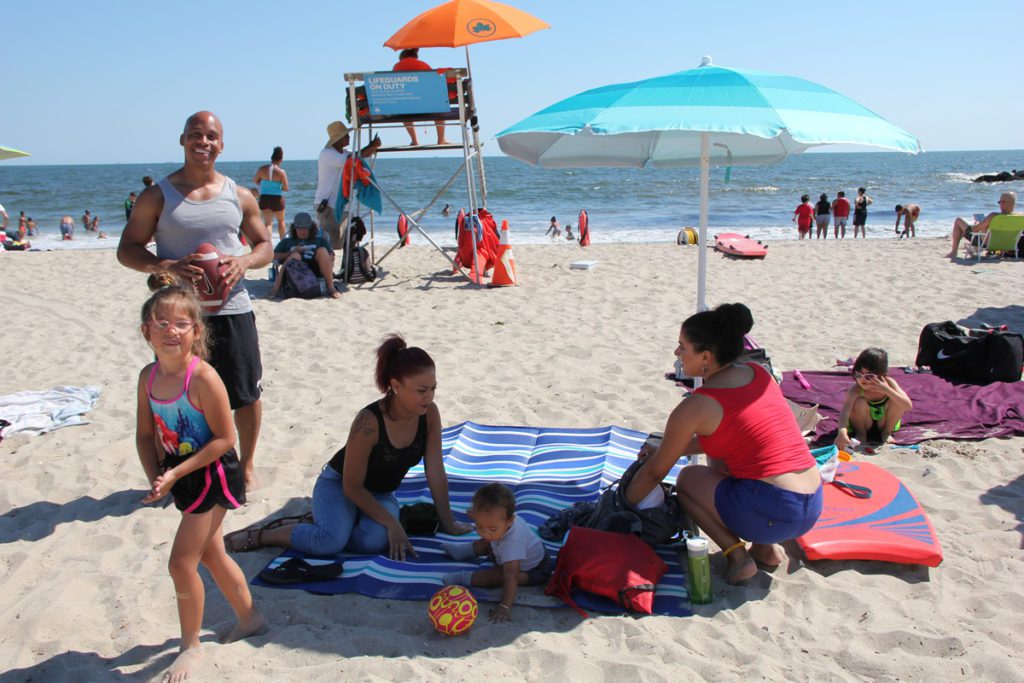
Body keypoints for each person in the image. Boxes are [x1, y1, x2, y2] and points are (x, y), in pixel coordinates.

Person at [118, 110, 273, 491]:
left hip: (233, 310)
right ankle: (173, 471)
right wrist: (164, 264)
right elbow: (127, 249)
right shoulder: (158, 195)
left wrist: (245, 261)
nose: (203, 142)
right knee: (176, 398)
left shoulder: (239, 195)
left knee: (246, 394)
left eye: (211, 136)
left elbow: (265, 245)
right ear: (182, 139)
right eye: (195, 135)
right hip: (179, 319)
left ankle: (247, 466)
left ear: (221, 144)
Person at [624, 303, 822, 585]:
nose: (677, 354)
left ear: (705, 356)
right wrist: (675, 447)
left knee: (689, 479)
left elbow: (655, 472)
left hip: (774, 511)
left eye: (682, 347)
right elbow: (736, 436)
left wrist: (623, 507)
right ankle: (765, 550)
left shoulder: (697, 406)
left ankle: (737, 557)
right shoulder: (758, 373)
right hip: (812, 504)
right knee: (732, 459)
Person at [225, 334, 471, 557]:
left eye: (433, 388)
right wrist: (392, 522)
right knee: (329, 543)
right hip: (339, 485)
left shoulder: (429, 414)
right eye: (422, 390)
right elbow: (351, 486)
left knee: (373, 542)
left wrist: (448, 522)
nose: (430, 396)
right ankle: (264, 535)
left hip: (379, 493)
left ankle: (327, 520)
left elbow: (436, 471)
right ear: (396, 386)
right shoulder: (369, 421)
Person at [134, 285, 265, 683]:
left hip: (212, 473)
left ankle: (190, 645)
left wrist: (174, 473)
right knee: (210, 554)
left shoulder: (204, 377)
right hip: (182, 474)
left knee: (180, 563)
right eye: (161, 323)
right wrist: (156, 475)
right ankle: (250, 618)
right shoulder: (148, 377)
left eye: (181, 323)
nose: (171, 331)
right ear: (146, 331)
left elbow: (226, 439)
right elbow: (144, 435)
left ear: (197, 331)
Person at [440, 483, 554, 622]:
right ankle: (462, 551)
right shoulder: (499, 524)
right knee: (487, 541)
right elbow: (488, 528)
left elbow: (511, 577)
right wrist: (477, 515)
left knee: (498, 576)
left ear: (510, 521)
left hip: (534, 570)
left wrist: (505, 606)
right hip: (503, 549)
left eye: (492, 528)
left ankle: (463, 578)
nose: (485, 532)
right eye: (479, 526)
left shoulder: (513, 543)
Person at [315, 121, 382, 250]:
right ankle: (328, 269)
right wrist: (372, 145)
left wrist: (372, 147)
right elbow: (354, 159)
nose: (349, 137)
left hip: (341, 205)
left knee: (351, 237)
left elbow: (361, 154)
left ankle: (345, 268)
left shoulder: (343, 153)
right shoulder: (327, 153)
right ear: (338, 139)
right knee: (328, 245)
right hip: (329, 205)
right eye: (346, 135)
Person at [834, 348, 912, 449]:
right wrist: (842, 431)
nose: (862, 379)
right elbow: (845, 412)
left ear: (881, 375)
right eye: (858, 374)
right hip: (863, 422)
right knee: (859, 402)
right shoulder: (857, 389)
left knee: (897, 399)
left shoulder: (889, 383)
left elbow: (907, 406)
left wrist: (887, 390)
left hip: (885, 421)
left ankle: (886, 433)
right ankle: (861, 433)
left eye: (869, 376)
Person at [269, 212, 341, 299]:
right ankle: (276, 289)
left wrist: (319, 255)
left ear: (311, 227)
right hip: (295, 273)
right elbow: (273, 256)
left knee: (322, 250)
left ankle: (331, 288)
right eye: (299, 228)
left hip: (316, 269)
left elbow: (332, 256)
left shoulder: (320, 240)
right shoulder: (287, 241)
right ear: (294, 228)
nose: (302, 231)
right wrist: (290, 253)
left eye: (305, 228)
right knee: (295, 255)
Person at [392, 48, 451, 147]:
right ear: (416, 56)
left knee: (403, 108)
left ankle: (414, 140)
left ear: (402, 57)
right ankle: (441, 139)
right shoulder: (423, 65)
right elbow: (433, 83)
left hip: (406, 108)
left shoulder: (396, 67)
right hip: (427, 107)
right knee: (440, 107)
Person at [946, 191, 1019, 258]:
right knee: (982, 228)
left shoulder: (993, 216)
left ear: (1003, 202)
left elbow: (975, 229)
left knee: (959, 220)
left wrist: (978, 224)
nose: (1000, 204)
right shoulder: (1020, 217)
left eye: (1000, 202)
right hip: (1006, 245)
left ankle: (954, 252)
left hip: (987, 244)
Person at [253, 146, 290, 240]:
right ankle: (282, 243)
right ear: (281, 159)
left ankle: (268, 244)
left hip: (264, 198)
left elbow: (255, 181)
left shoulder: (262, 169)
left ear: (271, 157)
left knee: (268, 223)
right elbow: (286, 188)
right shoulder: (281, 172)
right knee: (281, 221)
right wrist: (278, 186)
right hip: (277, 199)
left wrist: (263, 183)